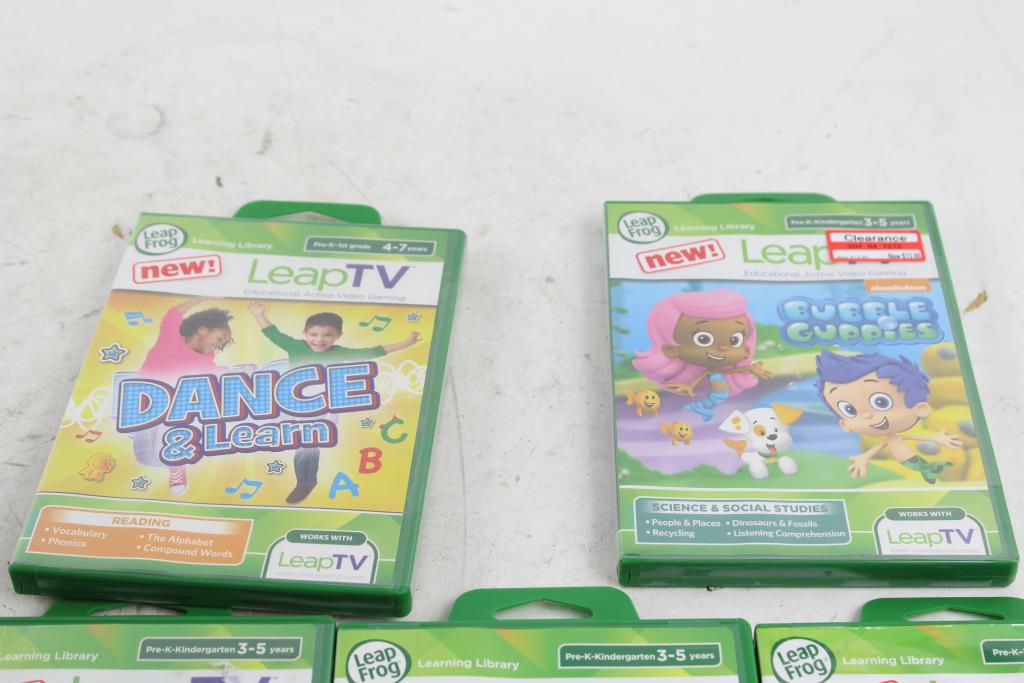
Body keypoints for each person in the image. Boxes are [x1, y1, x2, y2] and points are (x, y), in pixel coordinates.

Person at [248, 301, 420, 503]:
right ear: (305, 334)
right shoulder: (295, 346)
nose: (319, 340)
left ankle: (305, 482)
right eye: (314, 334)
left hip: (316, 407)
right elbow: (272, 333)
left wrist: (406, 343)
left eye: (327, 335)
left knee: (307, 445)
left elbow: (373, 351)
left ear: (338, 336)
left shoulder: (340, 352)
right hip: (289, 400)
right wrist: (258, 314)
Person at [135, 296, 233, 495]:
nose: (220, 345)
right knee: (146, 457)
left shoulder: (205, 360)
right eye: (220, 338)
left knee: (180, 415)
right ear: (202, 330)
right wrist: (201, 297)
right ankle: (171, 453)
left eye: (223, 343)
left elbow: (217, 376)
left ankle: (177, 465)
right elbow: (173, 314)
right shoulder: (170, 340)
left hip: (173, 408)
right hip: (145, 401)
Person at [816, 349, 959, 483]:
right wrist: (864, 457)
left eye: (881, 402)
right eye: (850, 410)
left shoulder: (898, 437)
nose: (867, 415)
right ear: (844, 424)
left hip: (912, 461)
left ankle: (929, 471)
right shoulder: (887, 440)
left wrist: (937, 438)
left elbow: (912, 438)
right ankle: (929, 471)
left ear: (920, 409)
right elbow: (879, 448)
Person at [633, 290, 770, 422]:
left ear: (746, 349)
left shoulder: (719, 372)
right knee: (715, 399)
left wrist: (750, 369)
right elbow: (705, 375)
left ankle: (704, 408)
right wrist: (688, 387)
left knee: (717, 399)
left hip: (719, 394)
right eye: (704, 339)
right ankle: (703, 408)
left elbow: (721, 372)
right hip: (708, 397)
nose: (722, 348)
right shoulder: (704, 372)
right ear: (671, 349)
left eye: (735, 340)